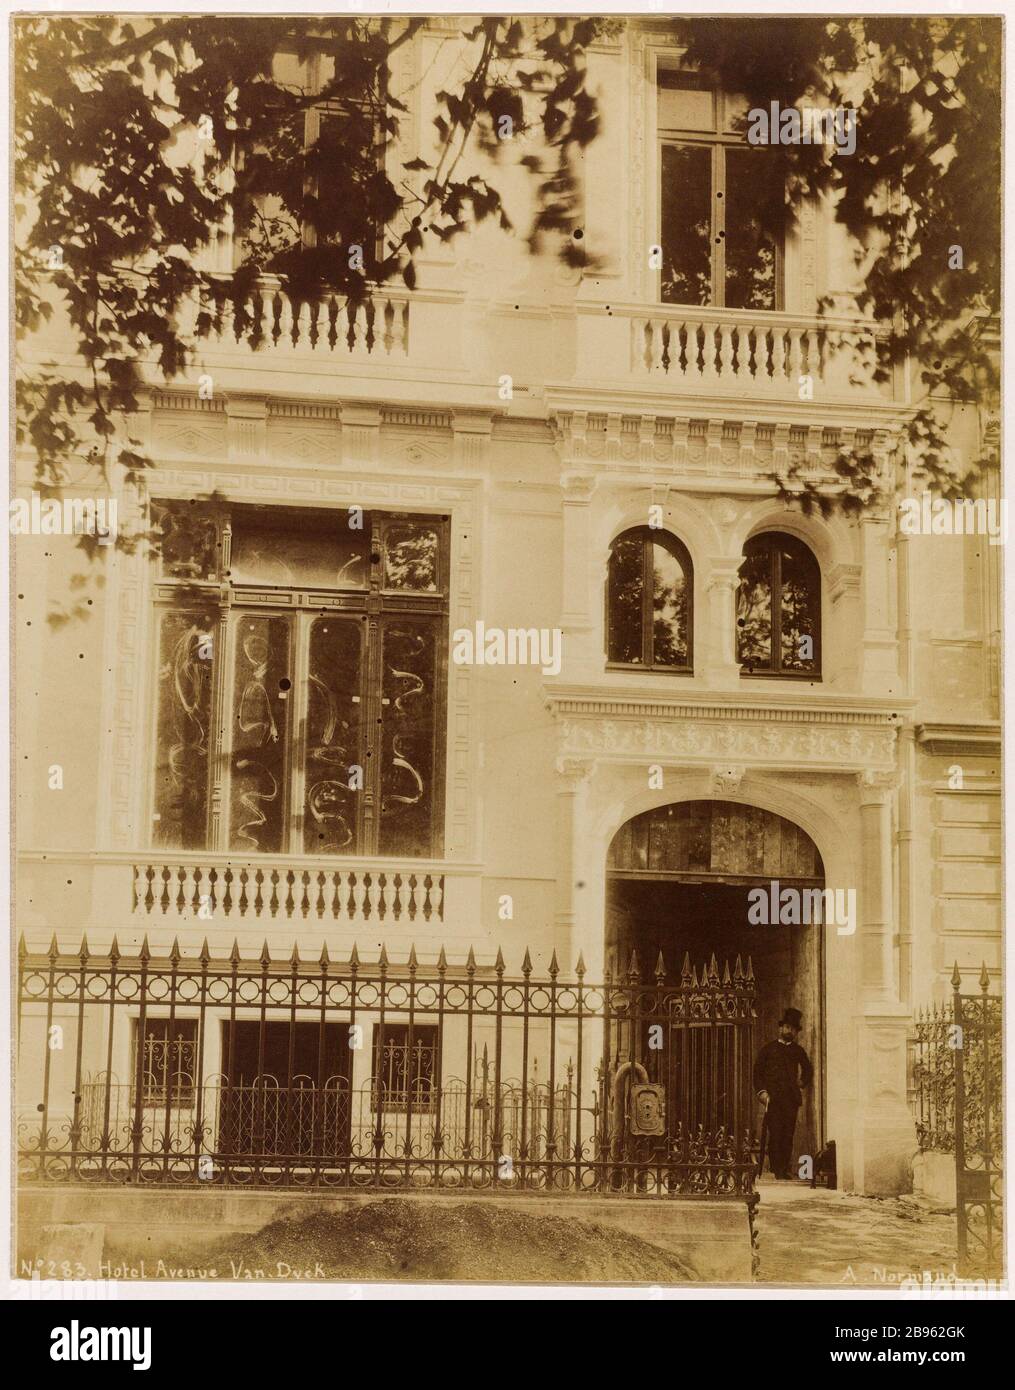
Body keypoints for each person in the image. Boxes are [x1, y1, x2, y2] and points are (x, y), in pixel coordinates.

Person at [753, 1007, 813, 1180]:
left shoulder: (798, 1050)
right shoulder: (768, 1049)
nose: (790, 1031)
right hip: (773, 1099)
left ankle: (783, 1169)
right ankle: (776, 1168)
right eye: (787, 1027)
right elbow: (757, 1073)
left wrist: (801, 1083)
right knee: (776, 1133)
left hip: (790, 1099)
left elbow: (808, 1070)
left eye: (793, 1029)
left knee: (788, 1134)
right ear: (781, 1028)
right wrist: (762, 1093)